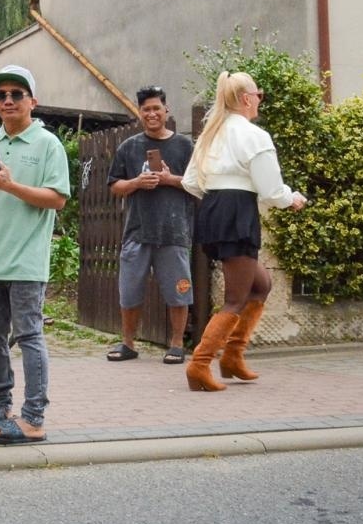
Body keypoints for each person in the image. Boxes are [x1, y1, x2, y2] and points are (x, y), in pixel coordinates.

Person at [0, 65, 69, 444]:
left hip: (27, 261)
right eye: (1, 95)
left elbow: (56, 199)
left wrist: (8, 185)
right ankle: (1, 404)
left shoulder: (48, 145)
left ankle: (34, 417)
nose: (7, 100)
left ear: (32, 102)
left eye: (16, 94)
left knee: (29, 336)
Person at [180, 70, 306, 392]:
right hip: (237, 212)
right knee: (236, 299)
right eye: (258, 95)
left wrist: (219, 197)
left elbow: (190, 182)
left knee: (261, 283)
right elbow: (271, 191)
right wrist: (291, 198)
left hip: (211, 210)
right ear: (247, 98)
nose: (259, 100)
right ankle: (199, 364)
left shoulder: (211, 133)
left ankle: (233, 357)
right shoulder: (255, 136)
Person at [106, 86, 196, 365]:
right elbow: (114, 187)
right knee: (129, 290)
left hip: (174, 231)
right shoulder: (129, 147)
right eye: (146, 109)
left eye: (157, 108)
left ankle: (177, 344)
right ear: (139, 112)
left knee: (178, 291)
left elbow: (199, 185)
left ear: (166, 110)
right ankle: (128, 344)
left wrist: (170, 179)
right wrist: (136, 183)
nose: (152, 113)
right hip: (137, 231)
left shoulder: (184, 146)